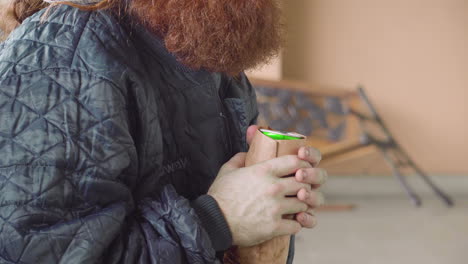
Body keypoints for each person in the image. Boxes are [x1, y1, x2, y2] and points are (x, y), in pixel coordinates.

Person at [0, 0, 327, 263]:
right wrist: (217, 221)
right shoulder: (62, 52)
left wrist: (272, 203)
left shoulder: (210, 38)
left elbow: (239, 216)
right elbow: (39, 252)